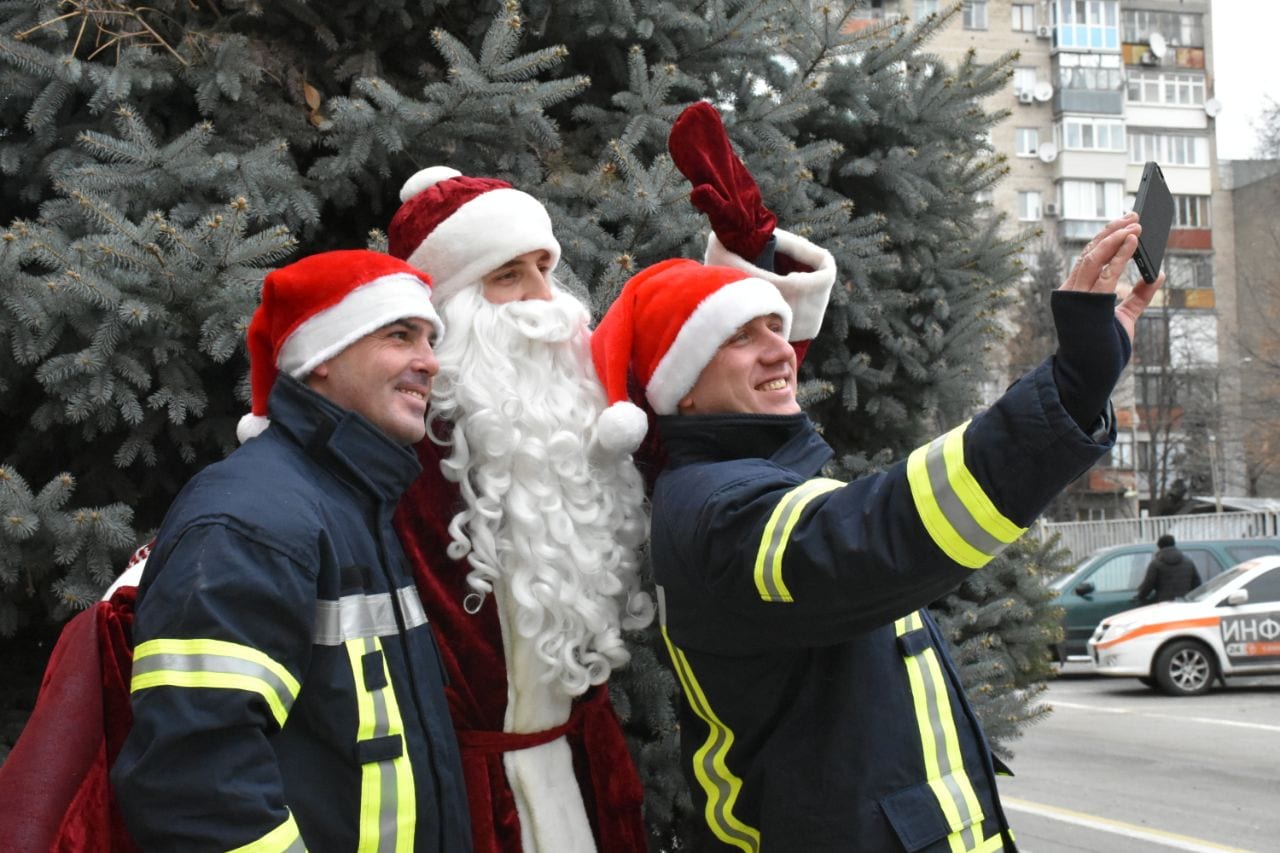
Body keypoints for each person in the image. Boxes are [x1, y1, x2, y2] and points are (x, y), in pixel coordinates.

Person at [588, 214, 1162, 851]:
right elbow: (881, 538)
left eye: (777, 326)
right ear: (681, 386)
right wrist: (1072, 385)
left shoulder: (746, 482)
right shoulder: (715, 508)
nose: (780, 350)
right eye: (739, 338)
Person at [383, 106, 836, 852]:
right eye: (507, 276)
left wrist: (752, 254)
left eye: (544, 268)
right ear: (450, 307)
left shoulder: (589, 408)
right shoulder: (400, 446)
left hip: (585, 778)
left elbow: (719, 385)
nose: (543, 299)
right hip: (454, 800)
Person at [110, 250, 471, 851]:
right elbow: (195, 790)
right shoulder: (252, 521)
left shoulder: (361, 504)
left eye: (431, 340)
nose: (429, 362)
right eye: (400, 335)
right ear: (321, 358)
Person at [1136, 533, 1203, 603]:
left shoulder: (1156, 564)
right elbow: (1197, 584)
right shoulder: (1188, 562)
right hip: (1184, 603)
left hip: (1163, 604)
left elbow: (1148, 585)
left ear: (1159, 547)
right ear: (1174, 544)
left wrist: (1139, 597)